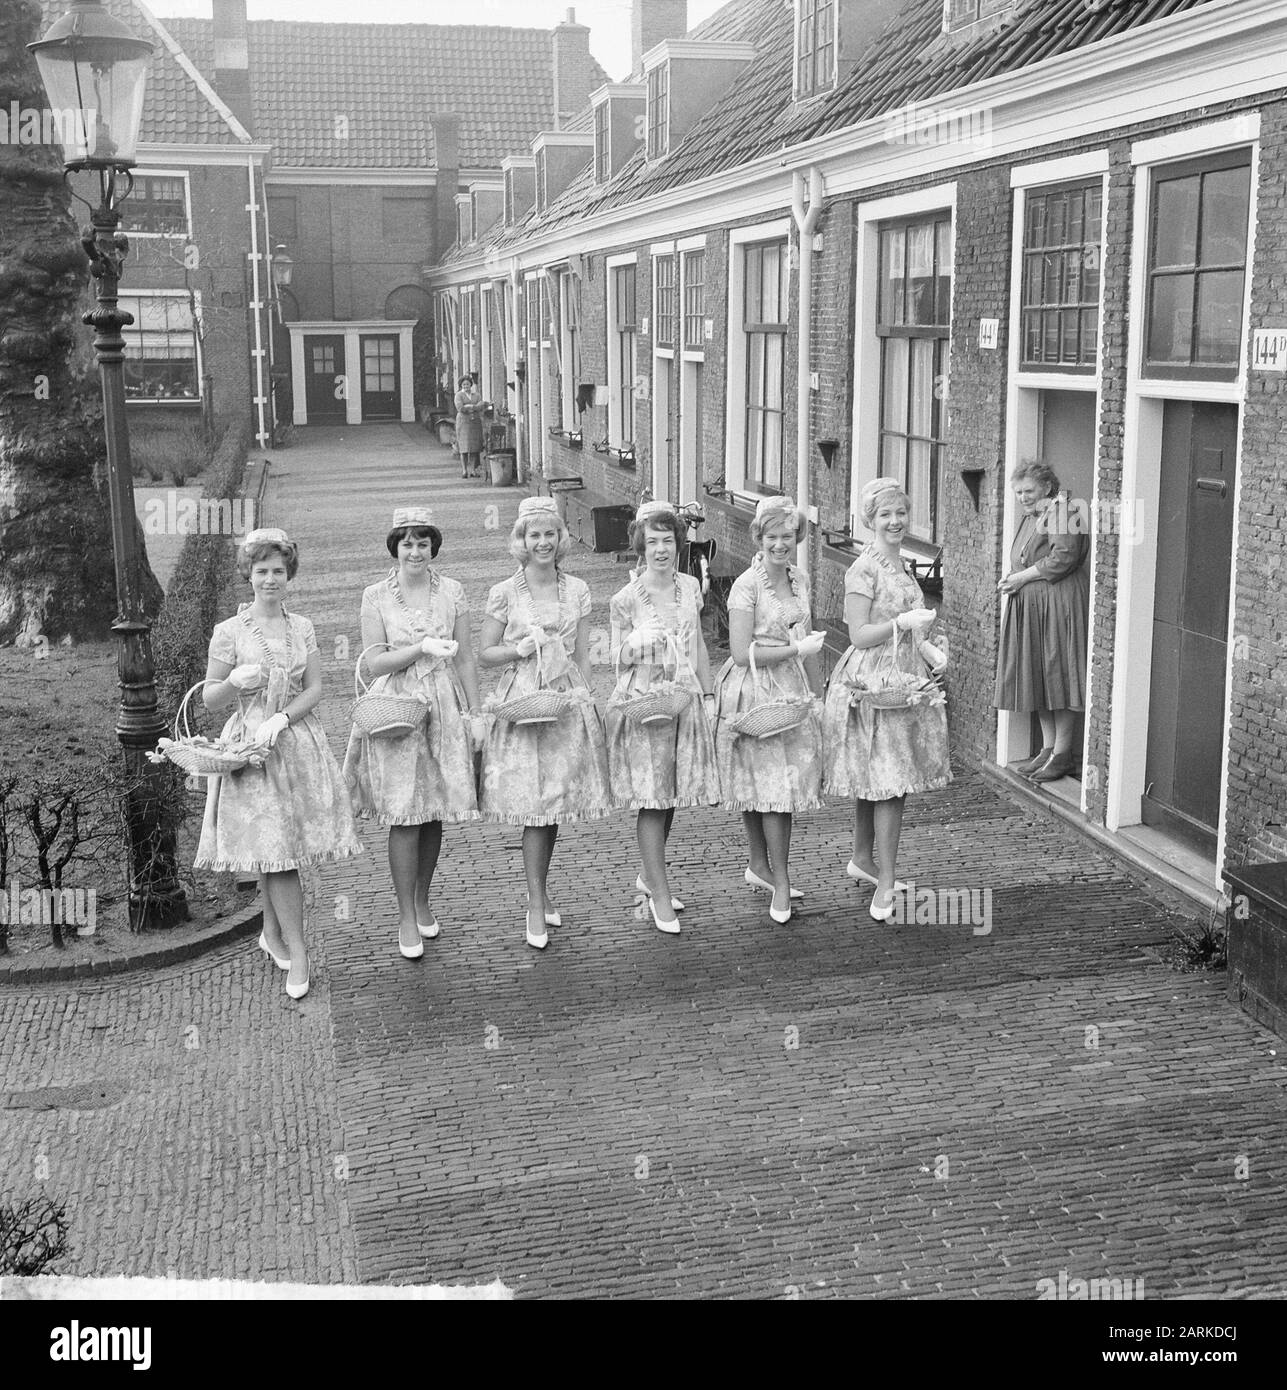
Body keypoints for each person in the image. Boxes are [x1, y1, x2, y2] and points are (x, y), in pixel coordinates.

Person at [195, 528, 362, 999]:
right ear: (248, 575)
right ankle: (300, 951)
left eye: (278, 571)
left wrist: (284, 718)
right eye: (262, 570)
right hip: (249, 750)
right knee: (279, 853)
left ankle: (270, 934)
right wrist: (232, 683)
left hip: (295, 746)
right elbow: (208, 698)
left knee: (279, 848)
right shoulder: (228, 632)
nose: (271, 579)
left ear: (289, 574)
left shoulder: (302, 626)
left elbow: (314, 689)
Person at [342, 507, 484, 960]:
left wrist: (476, 712)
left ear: (433, 548)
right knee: (405, 811)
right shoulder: (375, 595)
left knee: (434, 808)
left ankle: (423, 900)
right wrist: (420, 647)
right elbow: (374, 661)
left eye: (423, 542)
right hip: (397, 709)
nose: (415, 551)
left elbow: (464, 657)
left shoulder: (454, 592)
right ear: (395, 548)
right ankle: (405, 915)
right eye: (407, 543)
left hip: (442, 705)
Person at [477, 497, 612, 950]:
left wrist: (586, 699)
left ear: (560, 538)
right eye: (533, 534)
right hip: (523, 702)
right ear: (521, 540)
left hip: (563, 698)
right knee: (534, 806)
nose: (542, 542)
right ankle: (535, 902)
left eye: (549, 534)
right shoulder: (505, 592)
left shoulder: (577, 589)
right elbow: (484, 653)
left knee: (553, 803)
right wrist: (521, 648)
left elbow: (582, 654)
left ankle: (542, 890)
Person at [822, 478, 952, 921]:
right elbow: (858, 635)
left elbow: (910, 626)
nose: (895, 521)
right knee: (890, 781)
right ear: (870, 521)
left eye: (900, 513)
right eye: (886, 515)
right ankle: (886, 882)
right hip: (874, 682)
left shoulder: (901, 563)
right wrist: (902, 623)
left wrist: (929, 649)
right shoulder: (863, 568)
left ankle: (863, 857)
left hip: (904, 674)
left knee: (877, 776)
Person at [606, 500, 721, 934]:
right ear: (641, 544)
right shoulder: (625, 598)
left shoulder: (691, 587)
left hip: (683, 699)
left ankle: (648, 877)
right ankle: (658, 894)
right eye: (652, 541)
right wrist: (635, 642)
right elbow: (614, 658)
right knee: (652, 798)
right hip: (645, 704)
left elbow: (699, 647)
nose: (660, 550)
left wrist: (709, 695)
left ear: (678, 543)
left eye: (667, 540)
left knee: (671, 792)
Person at [713, 495, 826, 924]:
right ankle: (779, 881)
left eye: (788, 536)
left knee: (779, 788)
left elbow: (809, 637)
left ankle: (761, 867)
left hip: (792, 691)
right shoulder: (746, 585)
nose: (781, 544)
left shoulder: (800, 578)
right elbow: (741, 653)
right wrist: (797, 649)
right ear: (758, 538)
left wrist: (817, 693)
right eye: (772, 536)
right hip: (755, 691)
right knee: (767, 788)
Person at [994, 460, 1091, 782]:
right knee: (1039, 675)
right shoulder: (1034, 515)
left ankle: (1063, 753)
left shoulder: (1065, 513)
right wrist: (1016, 579)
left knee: (1057, 674)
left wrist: (1020, 577)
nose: (1022, 497)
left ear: (1047, 487)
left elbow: (1063, 557)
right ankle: (1048, 749)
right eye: (1019, 492)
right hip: (1034, 606)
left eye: (1029, 491)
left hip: (1058, 603)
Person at [454, 374, 486, 478]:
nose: (466, 386)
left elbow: (481, 406)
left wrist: (470, 406)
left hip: (475, 423)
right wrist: (474, 407)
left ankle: (472, 469)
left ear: (471, 385)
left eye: (467, 384)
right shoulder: (458, 395)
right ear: (461, 385)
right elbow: (460, 408)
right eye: (464, 384)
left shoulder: (476, 395)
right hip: (463, 423)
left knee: (473, 448)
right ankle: (464, 470)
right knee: (464, 447)